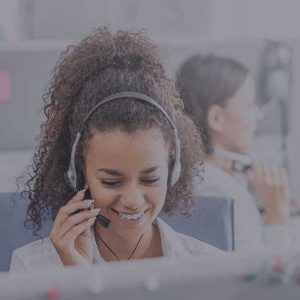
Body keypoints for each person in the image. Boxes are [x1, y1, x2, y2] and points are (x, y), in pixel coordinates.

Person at [10, 28, 221, 272]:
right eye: (111, 181)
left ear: (172, 171)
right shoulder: (33, 268)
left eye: (150, 179)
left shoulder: (207, 267)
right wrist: (76, 279)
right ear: (78, 176)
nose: (132, 200)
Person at [176, 54, 292, 252]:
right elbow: (265, 278)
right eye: (249, 104)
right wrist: (276, 217)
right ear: (217, 118)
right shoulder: (224, 193)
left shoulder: (183, 175)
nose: (259, 115)